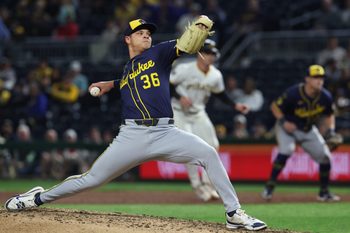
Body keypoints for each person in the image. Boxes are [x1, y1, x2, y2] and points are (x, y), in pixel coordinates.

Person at [4, 17, 266, 231]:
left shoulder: (159, 53)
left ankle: (233, 213)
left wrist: (201, 25)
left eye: (148, 32)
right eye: (139, 32)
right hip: (133, 135)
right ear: (127, 39)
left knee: (209, 154)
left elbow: (184, 46)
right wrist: (112, 84)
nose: (146, 35)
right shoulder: (128, 69)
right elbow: (129, 81)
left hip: (166, 131)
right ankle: (35, 198)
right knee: (91, 180)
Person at [170, 39, 249, 201]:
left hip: (198, 112)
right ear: (199, 54)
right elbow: (167, 84)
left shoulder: (215, 74)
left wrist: (235, 105)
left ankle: (208, 185)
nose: (210, 56)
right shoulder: (185, 69)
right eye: (207, 53)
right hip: (179, 111)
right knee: (188, 148)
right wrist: (179, 97)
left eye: (213, 54)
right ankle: (197, 186)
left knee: (212, 145)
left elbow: (220, 93)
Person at [261, 64, 340, 202]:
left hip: (307, 129)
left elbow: (330, 114)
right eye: (315, 77)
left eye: (321, 77)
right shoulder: (294, 93)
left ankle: (324, 193)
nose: (319, 80)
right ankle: (269, 187)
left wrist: (331, 130)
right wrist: (284, 121)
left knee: (325, 157)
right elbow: (274, 106)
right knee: (287, 150)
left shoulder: (325, 96)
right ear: (307, 79)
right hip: (287, 128)